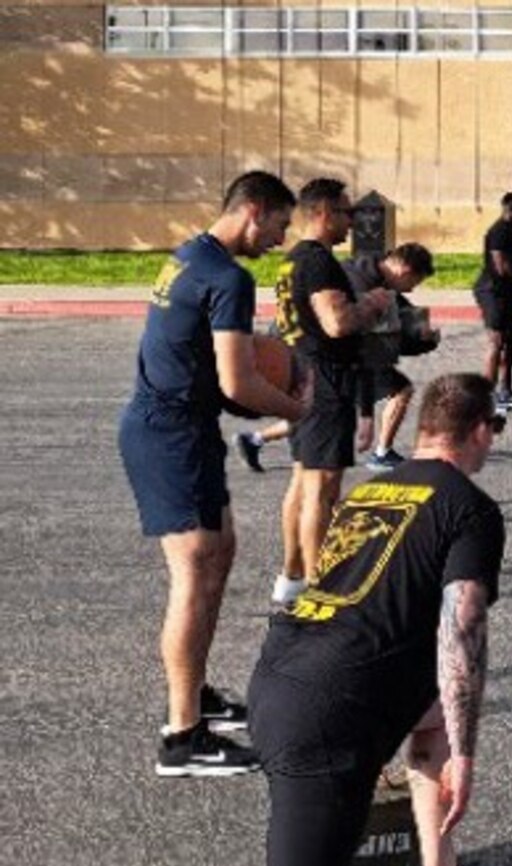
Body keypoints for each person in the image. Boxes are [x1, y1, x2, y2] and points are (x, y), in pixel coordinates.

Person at [35, 374, 508, 866]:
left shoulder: (377, 491)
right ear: (480, 429)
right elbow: (462, 630)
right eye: (494, 430)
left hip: (283, 673)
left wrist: (445, 732)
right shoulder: (470, 508)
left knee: (431, 722)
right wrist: (470, 756)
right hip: (327, 711)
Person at [117, 171, 307, 777]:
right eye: (278, 225)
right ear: (253, 211)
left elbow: (212, 363)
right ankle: (182, 738)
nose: (280, 240)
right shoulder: (228, 276)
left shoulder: (190, 255)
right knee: (194, 574)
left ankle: (193, 693)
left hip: (182, 428)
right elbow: (238, 381)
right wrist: (300, 412)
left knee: (220, 550)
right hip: (169, 433)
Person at [270, 180, 395, 610]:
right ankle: (321, 587)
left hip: (300, 376)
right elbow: (337, 323)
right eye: (345, 213)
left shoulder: (290, 262)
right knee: (322, 489)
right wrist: (373, 305)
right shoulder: (318, 261)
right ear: (322, 212)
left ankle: (291, 577)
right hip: (325, 380)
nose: (351, 222)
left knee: (302, 482)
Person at [344, 242, 439, 471]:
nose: (412, 289)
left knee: (311, 404)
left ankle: (256, 439)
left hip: (340, 351)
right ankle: (381, 453)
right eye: (414, 283)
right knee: (401, 389)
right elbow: (378, 342)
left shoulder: (374, 268)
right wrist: (421, 339)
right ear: (405, 271)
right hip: (343, 353)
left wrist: (421, 332)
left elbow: (400, 311)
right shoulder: (364, 287)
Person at [474, 192, 512, 409]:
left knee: (509, 343)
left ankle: (505, 391)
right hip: (491, 290)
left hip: (509, 290)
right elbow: (501, 267)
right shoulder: (498, 232)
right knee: (496, 341)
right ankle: (487, 398)